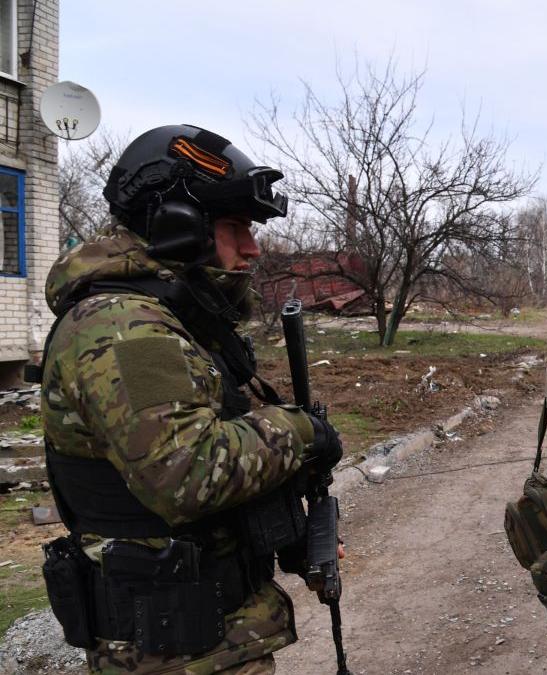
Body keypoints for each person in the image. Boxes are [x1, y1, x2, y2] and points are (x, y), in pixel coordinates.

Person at [36, 124, 343, 675]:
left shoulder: (175, 319)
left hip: (211, 639)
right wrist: (298, 433)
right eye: (235, 227)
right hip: (172, 651)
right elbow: (187, 470)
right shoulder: (124, 327)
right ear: (177, 227)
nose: (251, 247)